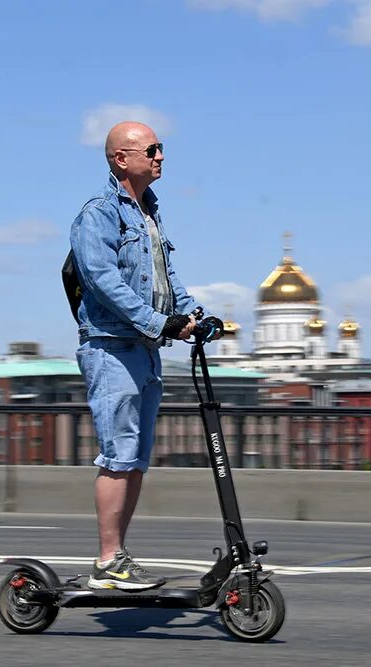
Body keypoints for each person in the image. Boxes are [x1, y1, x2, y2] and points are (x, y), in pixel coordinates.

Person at [70, 121, 221, 590]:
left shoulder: (149, 212)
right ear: (122, 158)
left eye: (161, 149)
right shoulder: (98, 214)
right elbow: (103, 281)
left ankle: (118, 554)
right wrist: (161, 323)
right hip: (112, 348)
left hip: (145, 349)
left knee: (136, 458)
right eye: (152, 149)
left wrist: (195, 314)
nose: (160, 157)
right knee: (118, 455)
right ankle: (107, 560)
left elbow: (165, 277)